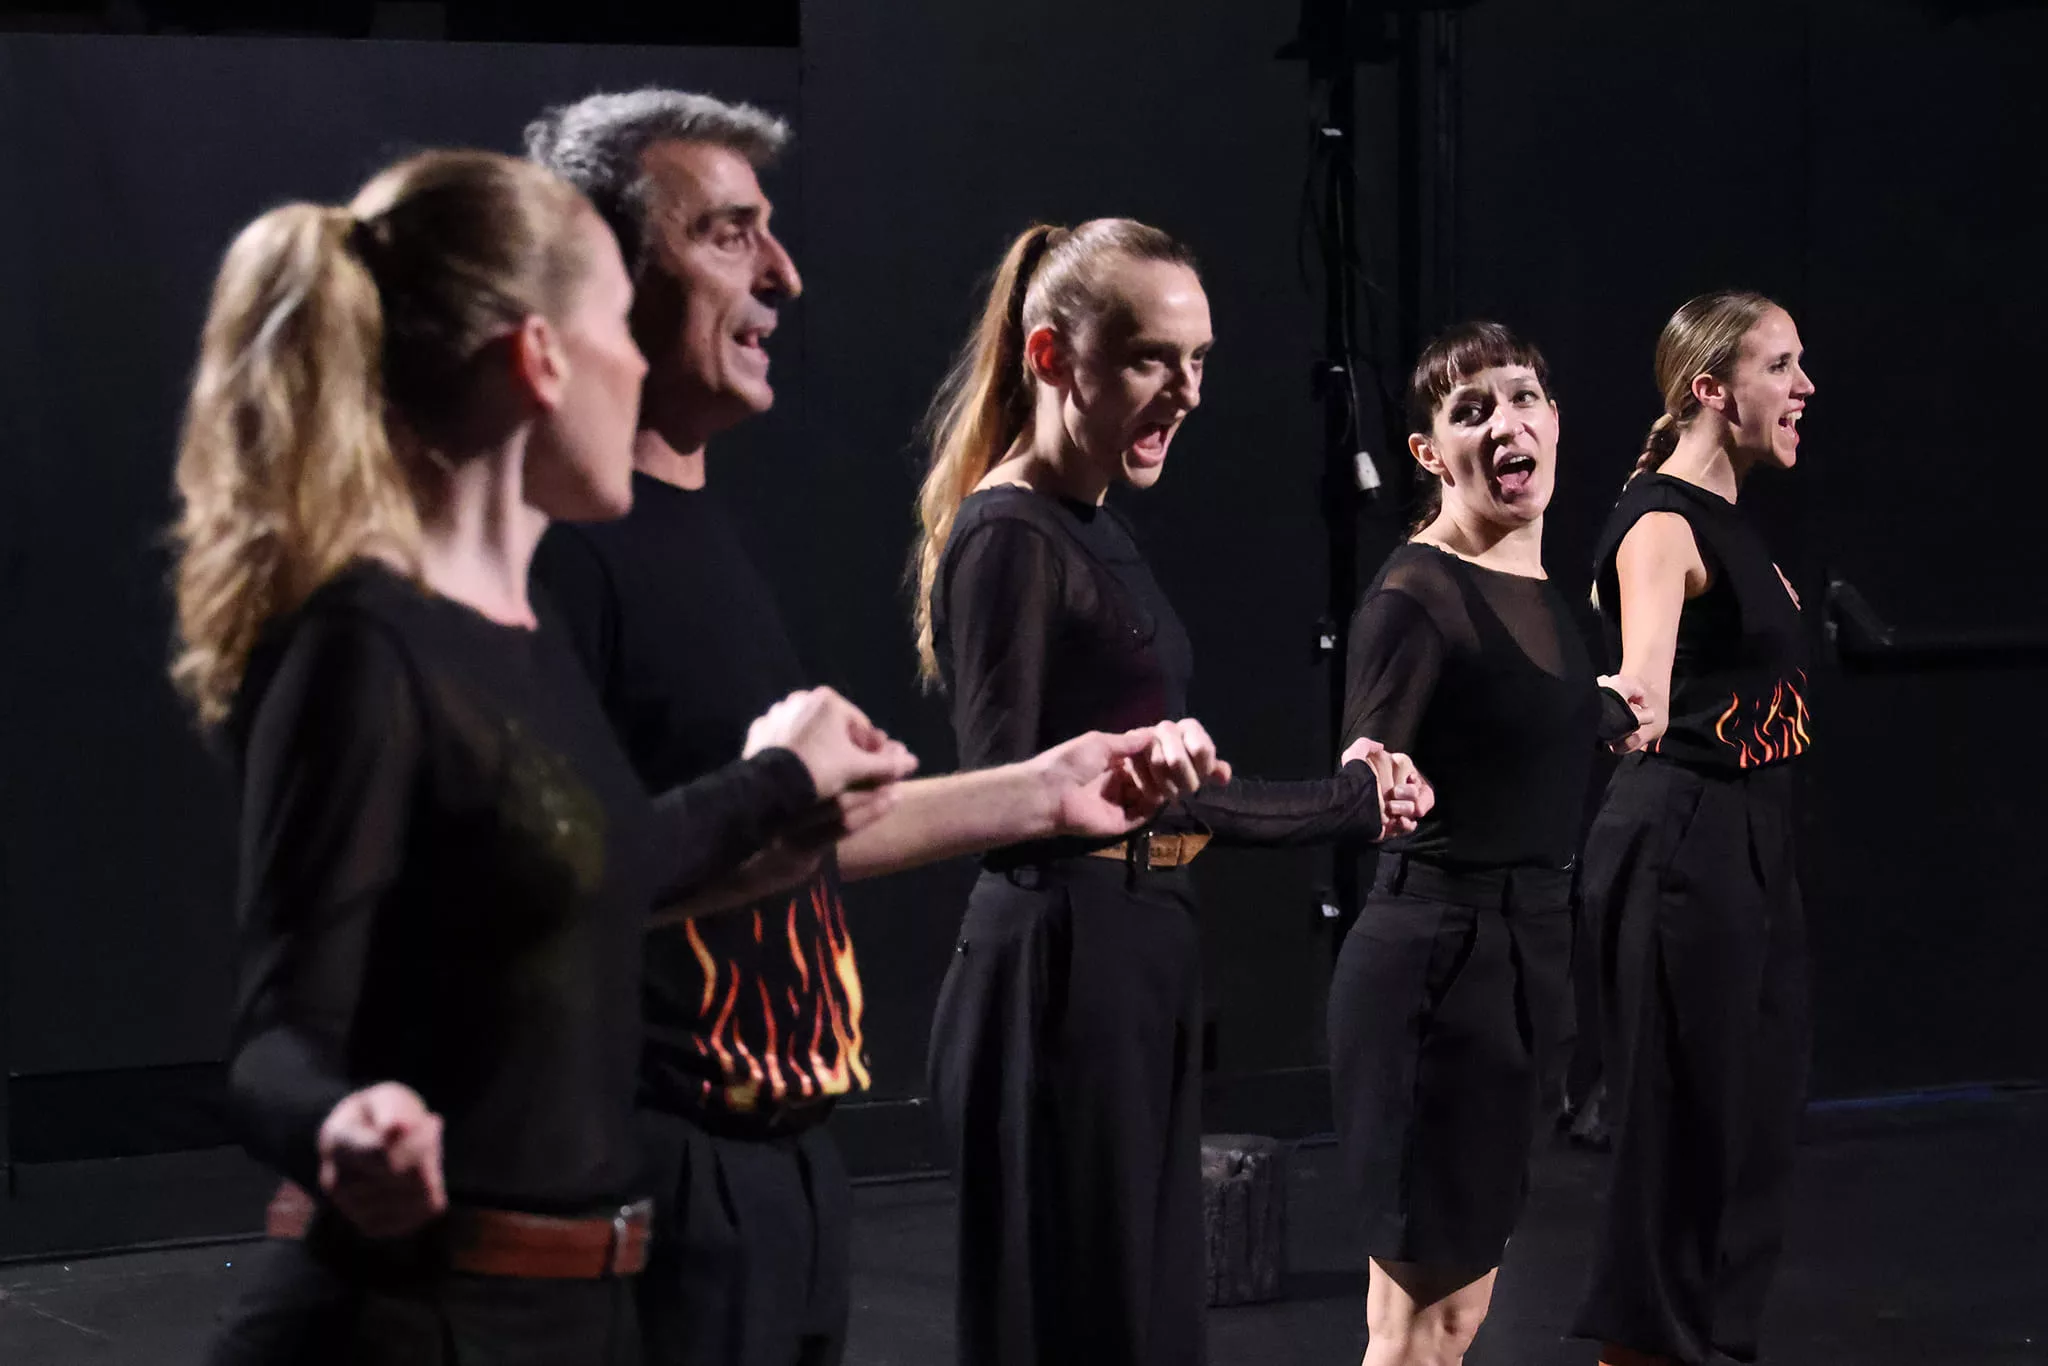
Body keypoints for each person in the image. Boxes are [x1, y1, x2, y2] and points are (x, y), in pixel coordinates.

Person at [174, 149, 916, 1365]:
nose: (636, 364)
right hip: (416, 1324)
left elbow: (599, 873)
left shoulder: (526, 633)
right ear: (540, 360)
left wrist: (785, 792)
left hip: (579, 1310)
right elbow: (274, 1041)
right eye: (617, 327)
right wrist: (342, 1123)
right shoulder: (366, 643)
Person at [524, 91, 1225, 1366]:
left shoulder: (692, 533)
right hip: (655, 1171)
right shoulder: (556, 552)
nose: (783, 272)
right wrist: (774, 787)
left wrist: (1049, 786)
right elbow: (550, 882)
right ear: (593, 271)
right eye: (727, 233)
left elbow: (790, 840)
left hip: (780, 1164)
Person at [912, 218, 1431, 1366]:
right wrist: (1345, 802)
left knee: (1142, 1324)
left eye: (1197, 360)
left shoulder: (1089, 527)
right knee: (1079, 1329)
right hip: (1058, 976)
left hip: (1130, 953)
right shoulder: (1011, 536)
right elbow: (1014, 805)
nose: (1186, 391)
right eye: (1152, 357)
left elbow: (1152, 787)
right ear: (1051, 357)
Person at [1327, 322, 1647, 1366]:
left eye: (1521, 398)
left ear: (1554, 420)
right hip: (1438, 967)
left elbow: (1512, 721)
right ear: (1429, 453)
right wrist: (1369, 774)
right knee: (1416, 1326)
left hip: (1525, 959)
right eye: (1470, 412)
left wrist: (1609, 710)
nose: (1505, 424)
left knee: (1452, 1320)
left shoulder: (1545, 594)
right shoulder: (1418, 594)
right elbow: (1366, 761)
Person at [1571, 291, 1816, 1366]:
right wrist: (1586, 708)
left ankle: (1713, 1346)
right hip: (1682, 836)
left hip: (1750, 833)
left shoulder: (1729, 521)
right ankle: (1645, 1350)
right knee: (1682, 1126)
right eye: (1781, 365)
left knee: (1752, 1119)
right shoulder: (1662, 524)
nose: (1804, 386)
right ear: (1710, 389)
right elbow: (1640, 690)